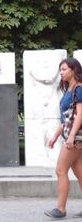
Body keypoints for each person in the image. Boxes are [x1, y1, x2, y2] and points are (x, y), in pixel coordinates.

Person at [45, 57, 82, 219]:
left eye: (64, 69)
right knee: (80, 174)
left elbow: (80, 115)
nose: (61, 72)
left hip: (75, 138)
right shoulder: (69, 89)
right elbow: (66, 118)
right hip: (70, 136)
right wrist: (55, 136)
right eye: (60, 69)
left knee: (60, 170)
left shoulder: (79, 89)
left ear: (73, 70)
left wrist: (72, 136)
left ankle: (61, 209)